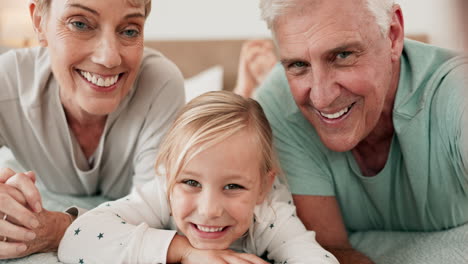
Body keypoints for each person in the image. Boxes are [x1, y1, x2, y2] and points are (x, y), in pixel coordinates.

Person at [253, 0, 468, 263]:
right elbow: (328, 252)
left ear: (392, 34)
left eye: (343, 55)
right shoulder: (278, 105)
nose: (321, 98)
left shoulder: (458, 95)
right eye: (298, 65)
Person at [57, 91, 339, 264]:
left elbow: (314, 258)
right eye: (191, 182)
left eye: (233, 186)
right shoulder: (165, 192)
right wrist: (184, 251)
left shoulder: (269, 214)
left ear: (263, 187)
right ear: (168, 177)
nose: (209, 210)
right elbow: (77, 237)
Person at [0, 0, 185, 259]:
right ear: (40, 23)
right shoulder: (8, 80)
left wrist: (57, 228)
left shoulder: (161, 84)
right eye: (79, 24)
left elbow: (157, 219)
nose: (109, 57)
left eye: (130, 30)